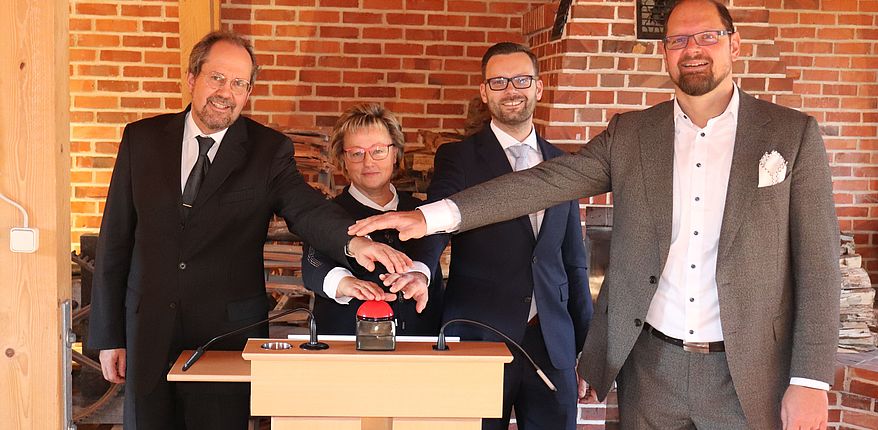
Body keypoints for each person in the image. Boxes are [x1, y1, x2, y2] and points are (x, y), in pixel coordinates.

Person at [349, 1, 841, 428]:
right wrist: (432, 218)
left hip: (749, 370)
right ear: (664, 52)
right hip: (651, 369)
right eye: (678, 39)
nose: (693, 48)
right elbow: (542, 183)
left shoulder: (791, 135)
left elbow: (819, 270)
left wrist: (810, 378)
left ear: (734, 45)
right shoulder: (631, 134)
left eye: (707, 36)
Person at [88, 31, 411, 430]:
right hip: (147, 331)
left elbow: (305, 207)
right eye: (218, 78)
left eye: (239, 83)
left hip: (227, 333)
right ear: (192, 77)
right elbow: (115, 240)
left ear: (249, 91)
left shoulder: (268, 149)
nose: (227, 92)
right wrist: (108, 335)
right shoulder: (142, 139)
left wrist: (353, 241)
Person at [407, 42, 593, 430]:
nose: (512, 90)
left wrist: (587, 351)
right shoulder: (458, 157)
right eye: (499, 81)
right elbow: (438, 219)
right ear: (484, 91)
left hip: (551, 343)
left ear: (538, 88)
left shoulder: (564, 164)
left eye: (522, 79)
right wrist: (423, 269)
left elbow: (573, 262)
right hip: (480, 333)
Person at [301, 103, 443, 335]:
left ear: (395, 153)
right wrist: (346, 284)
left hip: (421, 347)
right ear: (342, 159)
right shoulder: (327, 214)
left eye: (378, 150)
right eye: (356, 153)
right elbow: (313, 264)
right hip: (345, 348)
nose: (368, 162)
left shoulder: (422, 213)